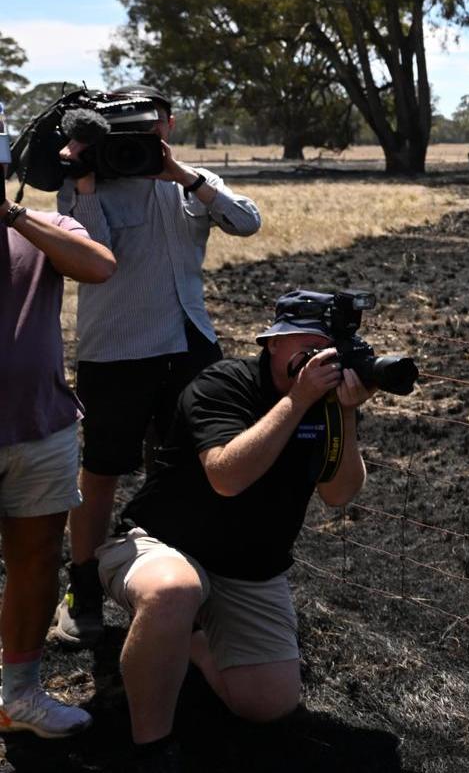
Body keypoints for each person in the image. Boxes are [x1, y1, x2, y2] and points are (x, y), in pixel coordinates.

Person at [96, 291, 378, 771]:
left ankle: (192, 639)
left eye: (331, 348)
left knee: (268, 704)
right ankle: (152, 748)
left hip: (249, 569)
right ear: (274, 343)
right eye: (311, 346)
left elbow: (339, 493)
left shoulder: (327, 403)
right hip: (160, 545)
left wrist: (345, 413)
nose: (322, 358)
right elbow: (227, 477)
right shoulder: (222, 385)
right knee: (173, 591)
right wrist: (298, 400)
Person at [53, 84, 262, 647]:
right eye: (128, 131)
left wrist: (183, 177)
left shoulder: (193, 180)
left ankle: (181, 585)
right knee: (101, 471)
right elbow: (89, 258)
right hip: (116, 350)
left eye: (151, 126)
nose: (142, 138)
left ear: (168, 125)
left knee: (184, 470)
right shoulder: (87, 182)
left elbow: (247, 222)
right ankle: (83, 589)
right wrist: (86, 180)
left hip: (190, 345)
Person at [1, 190, 115, 738]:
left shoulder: (44, 225)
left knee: (37, 559)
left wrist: (13, 216)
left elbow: (99, 266)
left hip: (41, 426)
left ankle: (19, 696)